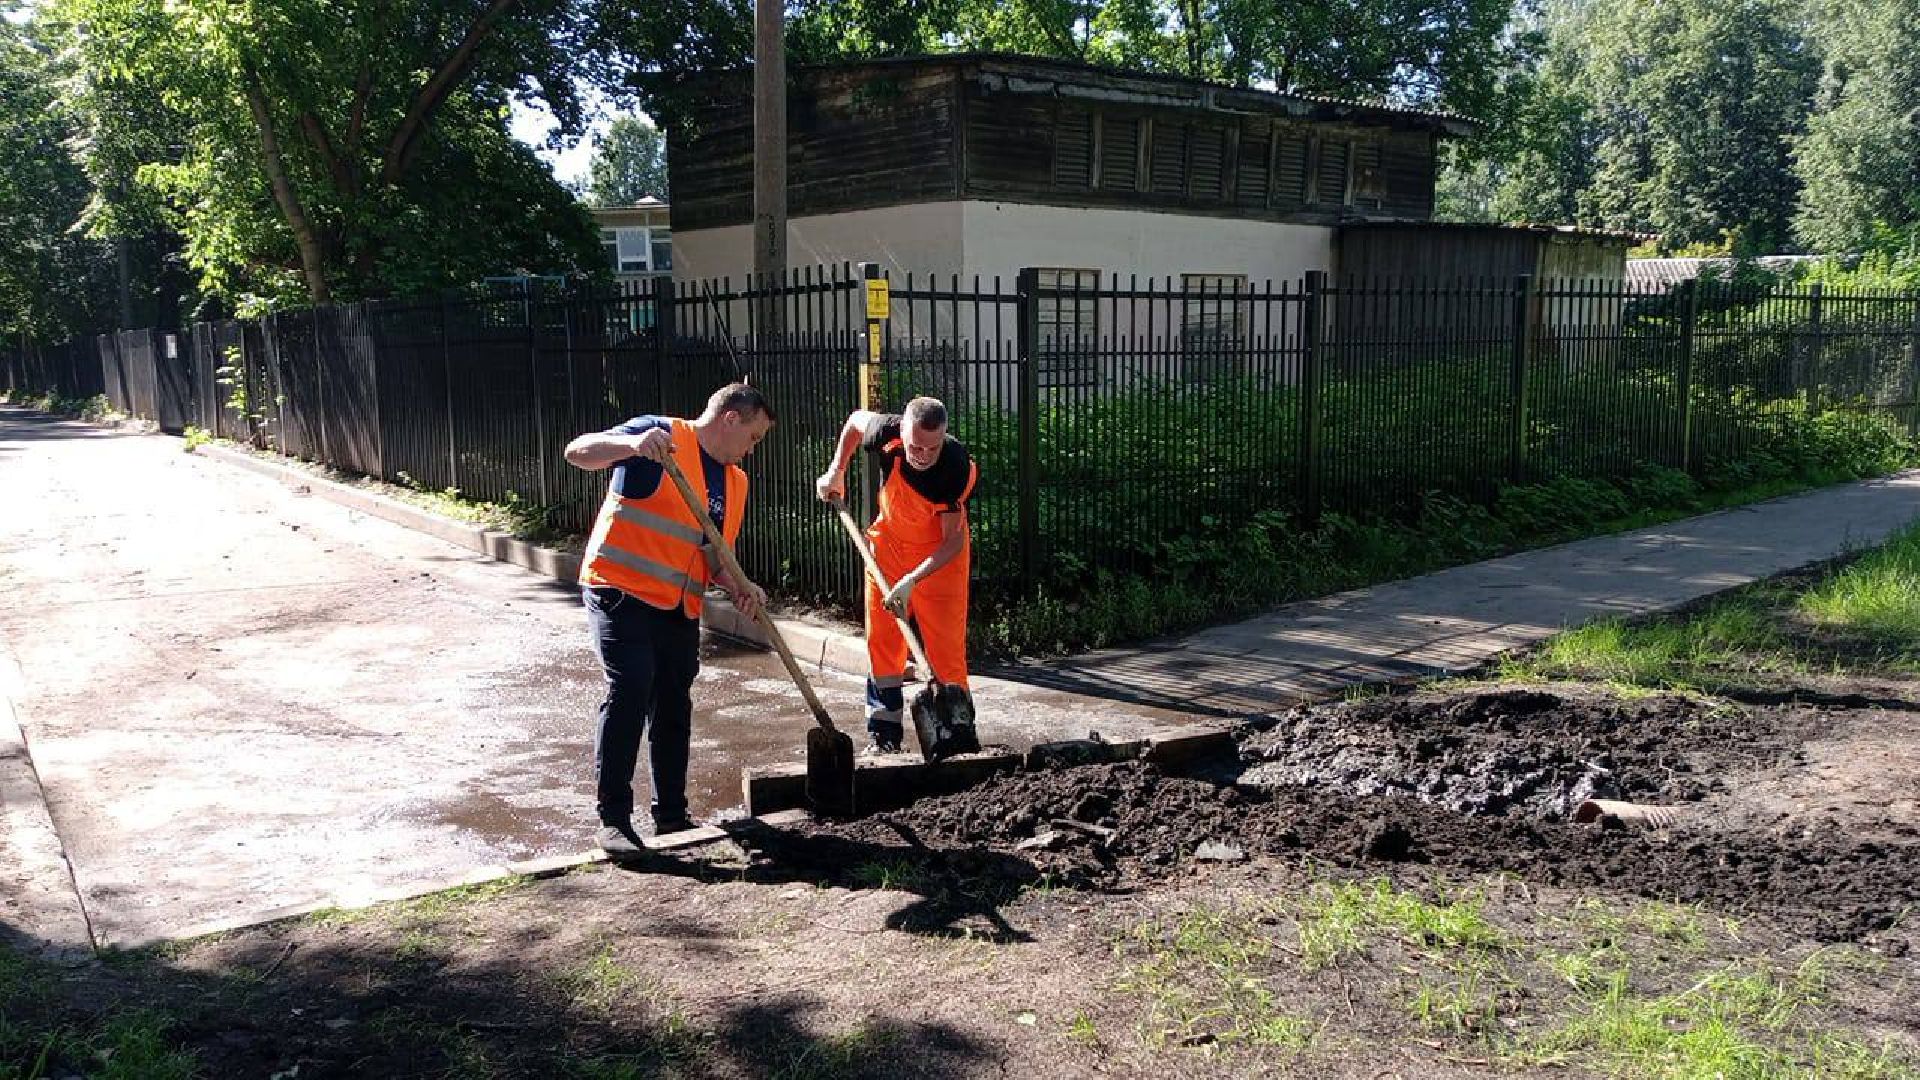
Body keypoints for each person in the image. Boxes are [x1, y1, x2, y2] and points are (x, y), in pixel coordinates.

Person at [563, 383, 773, 861]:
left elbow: (712, 553)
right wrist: (632, 447)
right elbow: (578, 452)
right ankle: (614, 819)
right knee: (630, 689)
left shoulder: (735, 482)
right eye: (754, 437)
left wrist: (740, 585)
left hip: (678, 606)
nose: (752, 449)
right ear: (731, 419)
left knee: (674, 704)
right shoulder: (658, 437)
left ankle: (672, 815)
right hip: (620, 589)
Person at [815, 396, 977, 753]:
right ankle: (884, 735)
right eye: (915, 446)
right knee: (883, 641)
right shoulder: (885, 431)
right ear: (901, 432)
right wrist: (836, 470)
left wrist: (912, 580)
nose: (922, 455)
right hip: (887, 546)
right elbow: (856, 420)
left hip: (938, 563)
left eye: (931, 448)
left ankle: (956, 737)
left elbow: (951, 543)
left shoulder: (954, 467)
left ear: (944, 437)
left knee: (946, 651)